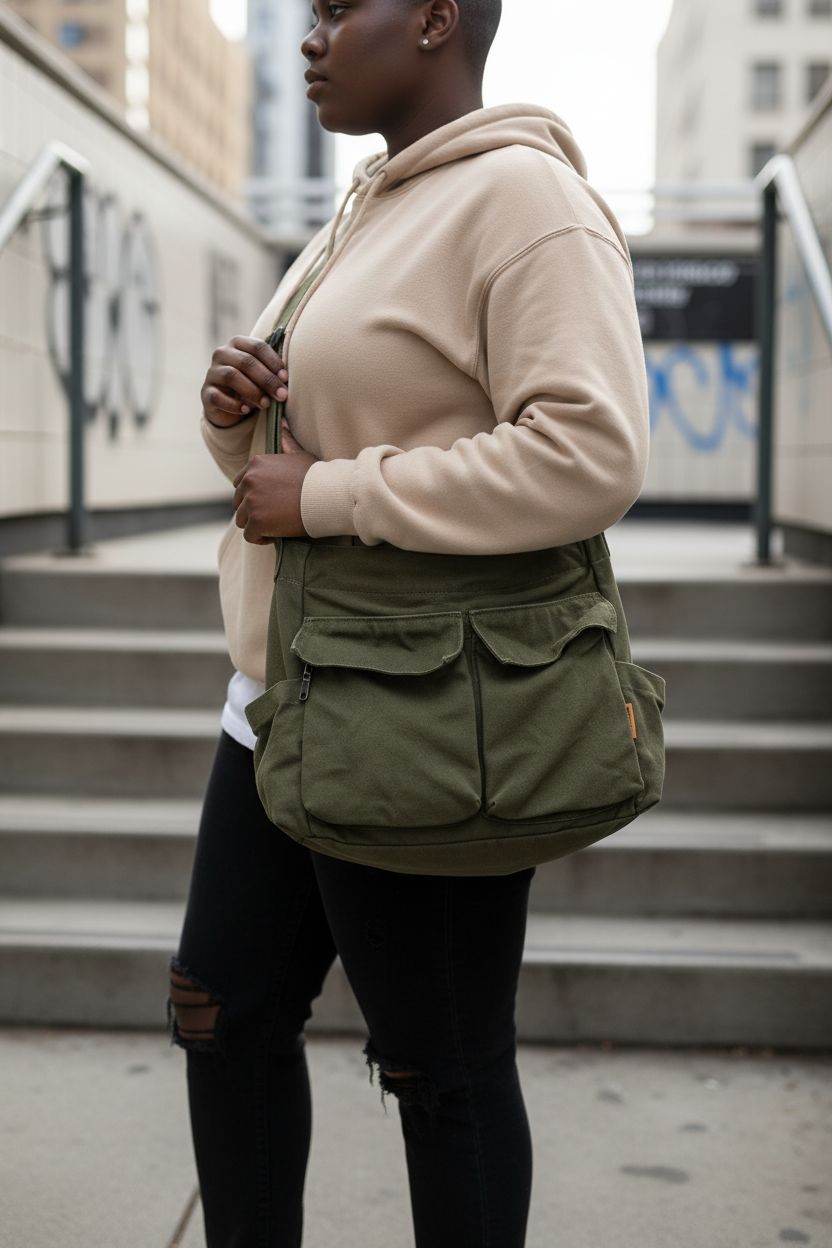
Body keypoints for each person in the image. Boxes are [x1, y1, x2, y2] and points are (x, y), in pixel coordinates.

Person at [167, 0, 650, 1244]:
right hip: (279, 692)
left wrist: (330, 494)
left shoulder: (527, 203)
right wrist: (237, 414)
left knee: (441, 1073)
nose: (311, 35)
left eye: (340, 8)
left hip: (421, 704)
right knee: (220, 1009)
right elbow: (300, 449)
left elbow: (588, 454)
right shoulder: (366, 207)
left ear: (437, 18)